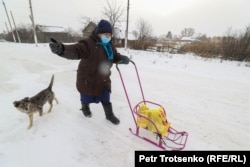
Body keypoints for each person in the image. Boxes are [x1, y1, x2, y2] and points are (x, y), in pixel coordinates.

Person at [49, 19, 130, 125]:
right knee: (86, 98)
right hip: (88, 78)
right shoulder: (89, 44)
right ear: (98, 33)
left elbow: (114, 56)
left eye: (109, 34)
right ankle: (85, 108)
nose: (108, 36)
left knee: (106, 97)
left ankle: (109, 115)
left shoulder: (109, 45)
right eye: (105, 34)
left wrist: (122, 58)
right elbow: (76, 50)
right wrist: (62, 49)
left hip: (103, 79)